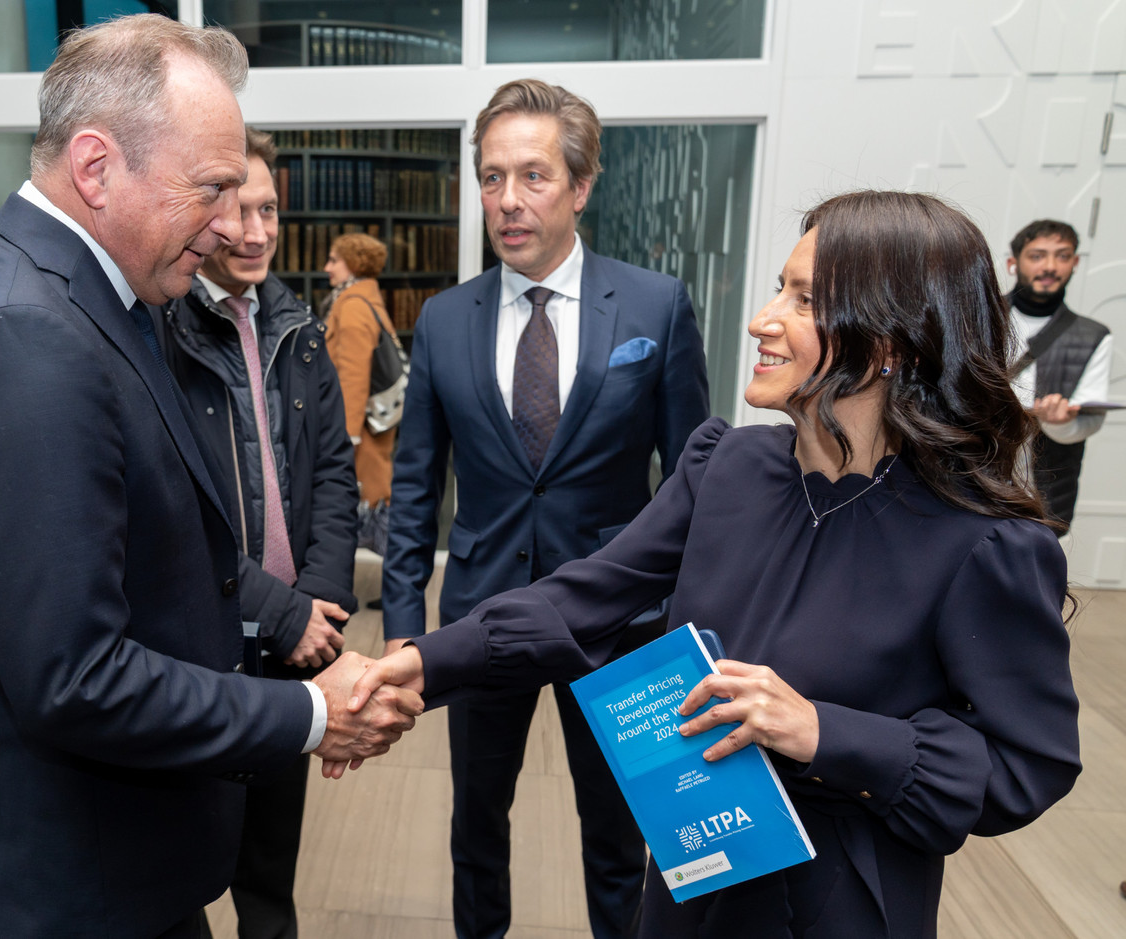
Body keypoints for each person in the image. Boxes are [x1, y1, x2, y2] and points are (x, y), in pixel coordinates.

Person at [353, 190, 1082, 939]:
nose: (763, 318)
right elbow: (584, 597)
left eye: (803, 300)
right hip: (693, 882)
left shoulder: (981, 542)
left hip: (837, 905)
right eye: (779, 288)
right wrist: (422, 661)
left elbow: (1027, 763)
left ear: (890, 343)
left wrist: (819, 731)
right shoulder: (727, 464)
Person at [0, 17, 420, 939]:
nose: (230, 225)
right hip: (77, 880)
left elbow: (169, 539)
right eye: (210, 189)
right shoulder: (28, 338)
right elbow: (76, 677)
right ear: (97, 168)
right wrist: (303, 712)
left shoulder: (103, 296)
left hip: (125, 856)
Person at [381, 79, 711, 939]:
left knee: (618, 833)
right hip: (483, 615)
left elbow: (692, 484)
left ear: (581, 185)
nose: (508, 201)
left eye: (532, 176)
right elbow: (417, 485)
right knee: (475, 829)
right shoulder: (445, 320)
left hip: (622, 624)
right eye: (492, 178)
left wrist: (693, 622)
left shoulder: (655, 306)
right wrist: (404, 624)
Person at [158, 127, 358, 939]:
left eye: (268, 208)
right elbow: (174, 510)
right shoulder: (162, 334)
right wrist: (282, 609)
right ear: (201, 214)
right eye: (234, 209)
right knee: (186, 857)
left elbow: (337, 473)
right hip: (205, 639)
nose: (253, 230)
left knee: (272, 871)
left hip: (295, 643)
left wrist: (320, 603)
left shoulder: (299, 327)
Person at [1005, 219, 1112, 528]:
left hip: (1044, 483)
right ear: (1014, 263)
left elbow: (1090, 419)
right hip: (975, 471)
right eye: (1037, 255)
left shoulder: (1093, 335)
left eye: (1062, 256)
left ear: (1075, 263)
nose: (1050, 266)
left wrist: (1059, 423)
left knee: (1034, 563)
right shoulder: (981, 317)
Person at [321, 232, 399, 523]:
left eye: (334, 260)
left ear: (353, 264)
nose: (327, 268)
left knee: (371, 506)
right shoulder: (363, 297)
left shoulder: (352, 305)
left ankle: (392, 564)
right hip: (369, 424)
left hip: (361, 429)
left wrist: (347, 436)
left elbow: (353, 376)